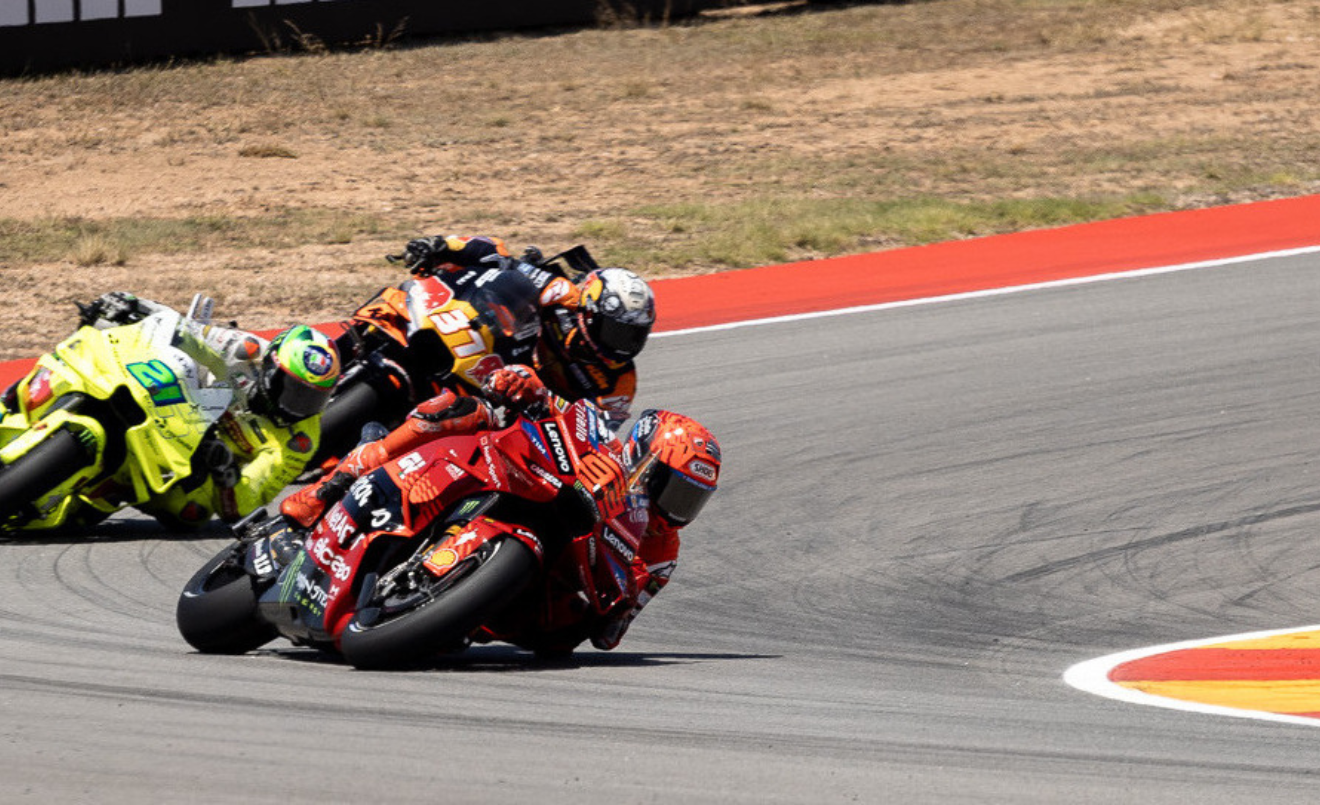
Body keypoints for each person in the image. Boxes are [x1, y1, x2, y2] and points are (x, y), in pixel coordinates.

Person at [280, 363, 721, 653]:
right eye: (673, 489)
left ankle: (446, 609)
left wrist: (622, 592)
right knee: (456, 410)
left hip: (542, 595)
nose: (675, 508)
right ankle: (335, 483)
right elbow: (552, 404)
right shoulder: (600, 437)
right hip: (530, 496)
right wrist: (523, 382)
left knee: (560, 638)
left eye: (690, 499)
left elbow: (610, 635)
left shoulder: (665, 554)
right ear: (642, 457)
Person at [79, 291, 342, 528]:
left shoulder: (300, 442)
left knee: (192, 511)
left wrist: (225, 469)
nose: (298, 405)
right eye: (293, 389)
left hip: (199, 456)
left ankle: (111, 489)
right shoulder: (244, 351)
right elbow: (186, 332)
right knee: (108, 330)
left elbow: (246, 503)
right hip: (175, 396)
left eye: (312, 397)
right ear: (271, 367)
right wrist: (137, 306)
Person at [399, 234, 656, 431]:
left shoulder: (620, 385)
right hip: (491, 350)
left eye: (634, 335)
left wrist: (541, 400)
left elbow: (597, 434)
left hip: (529, 415)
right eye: (616, 331)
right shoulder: (565, 294)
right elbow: (499, 256)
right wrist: (444, 245)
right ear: (589, 312)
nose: (624, 345)